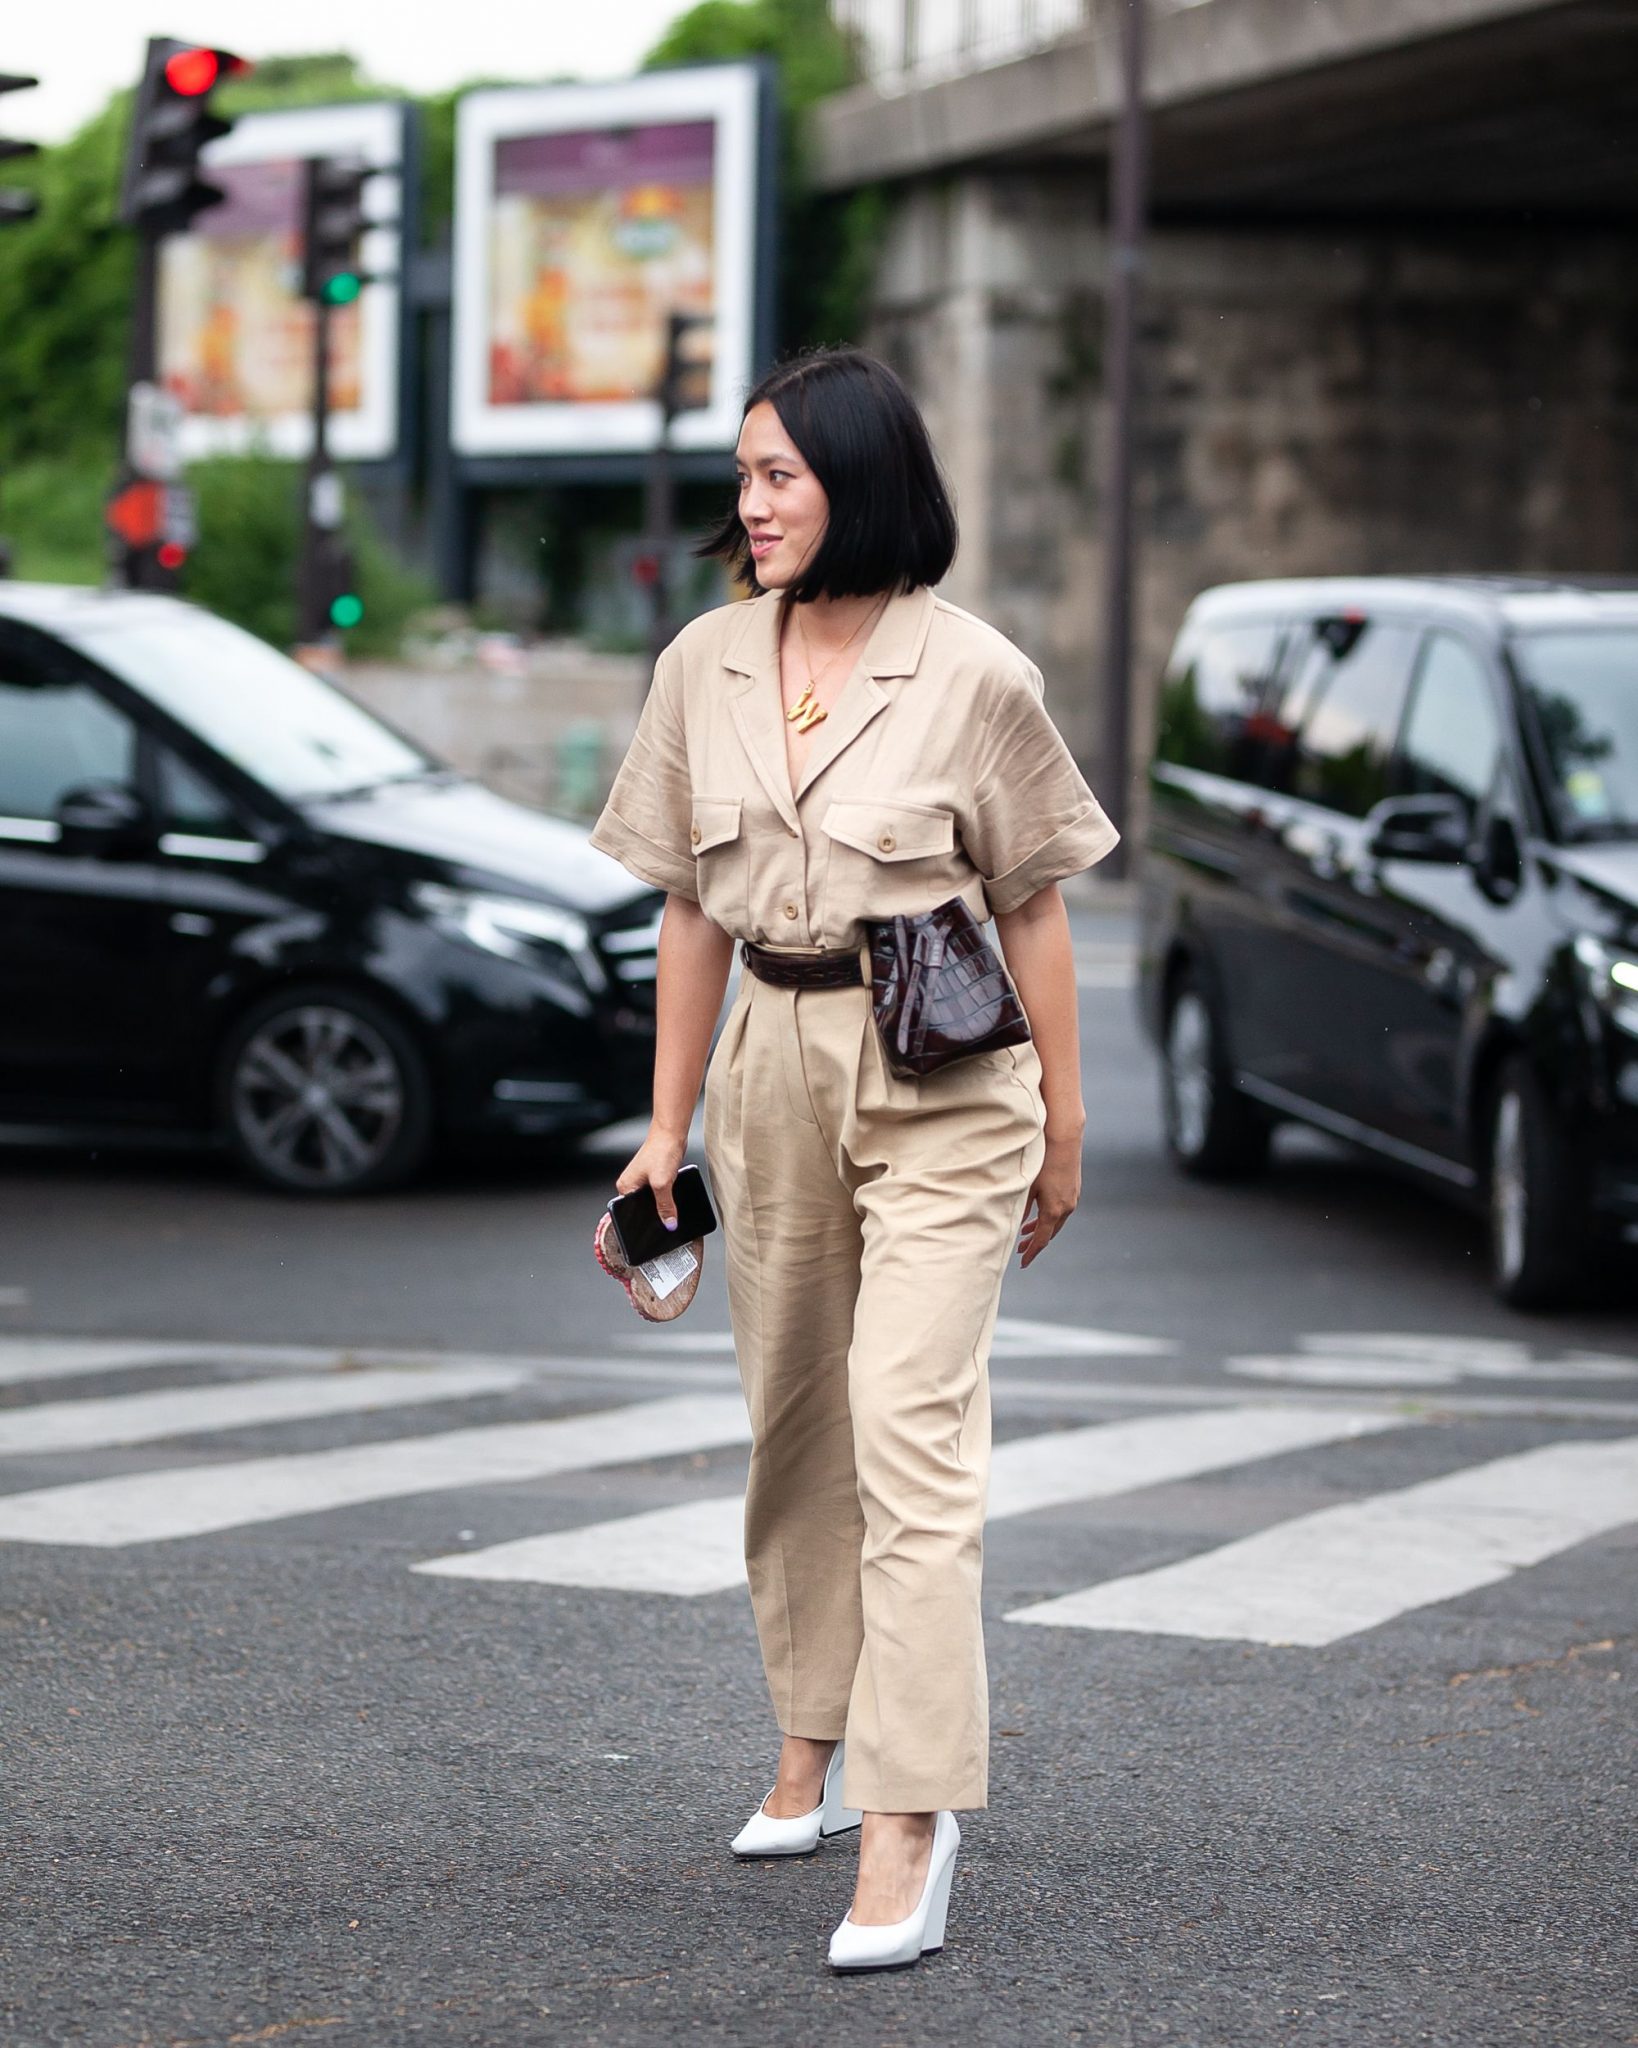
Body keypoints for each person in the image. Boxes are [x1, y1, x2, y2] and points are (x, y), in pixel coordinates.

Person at [589, 347, 1117, 1971]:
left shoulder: (974, 676)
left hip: (948, 1078)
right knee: (798, 1428)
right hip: (768, 1062)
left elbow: (1030, 899)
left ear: (858, 482)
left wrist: (1067, 1123)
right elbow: (688, 905)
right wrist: (664, 1128)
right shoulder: (702, 663)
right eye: (743, 477)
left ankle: (908, 1815)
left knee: (910, 1433)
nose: (748, 507)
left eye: (778, 478)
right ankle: (808, 1743)